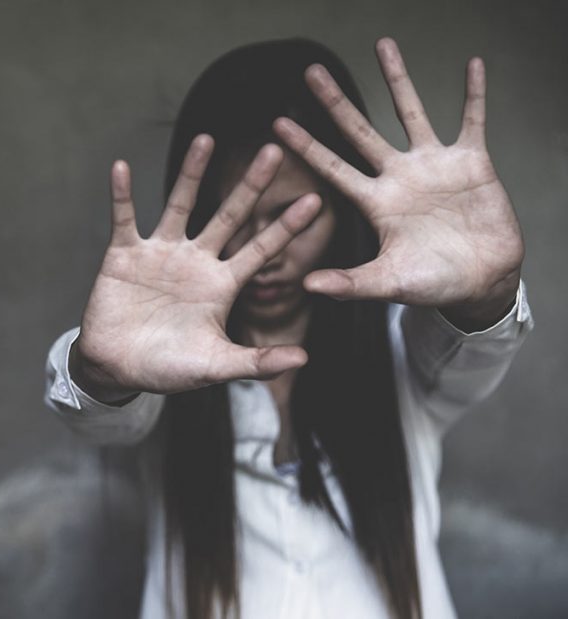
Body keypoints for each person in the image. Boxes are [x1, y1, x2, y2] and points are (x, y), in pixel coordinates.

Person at [43, 37, 533, 619]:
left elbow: (471, 350)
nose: (266, 252)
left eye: (293, 217)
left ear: (343, 206)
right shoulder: (164, 368)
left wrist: (486, 291)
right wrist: (101, 372)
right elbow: (103, 414)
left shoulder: (401, 350)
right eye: (238, 218)